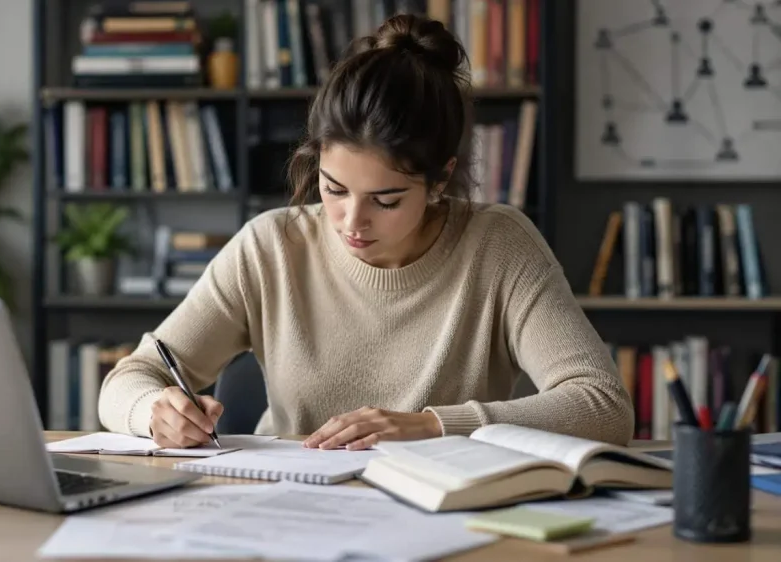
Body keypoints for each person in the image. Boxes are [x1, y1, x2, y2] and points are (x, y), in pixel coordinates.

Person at [97, 14, 634, 450]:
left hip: (442, 517)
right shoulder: (271, 247)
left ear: (440, 178)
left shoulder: (497, 246)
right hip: (287, 507)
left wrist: (433, 425)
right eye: (333, 189)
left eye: (387, 199)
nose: (352, 222)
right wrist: (154, 413)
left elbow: (602, 405)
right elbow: (130, 378)